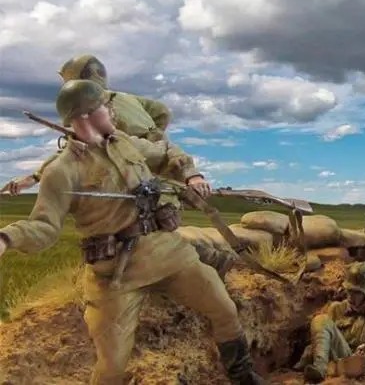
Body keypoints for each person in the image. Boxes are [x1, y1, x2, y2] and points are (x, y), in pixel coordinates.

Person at [0, 79, 264, 385]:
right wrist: (6, 238)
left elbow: (164, 152)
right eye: (104, 106)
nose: (111, 111)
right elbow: (43, 226)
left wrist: (192, 175)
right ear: (86, 116)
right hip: (116, 275)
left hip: (167, 253)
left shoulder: (123, 142)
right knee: (112, 366)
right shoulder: (61, 172)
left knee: (224, 309)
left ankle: (243, 376)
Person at [2, 54, 238, 278]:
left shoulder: (93, 107)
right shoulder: (125, 98)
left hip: (141, 171)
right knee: (155, 226)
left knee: (145, 226)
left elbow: (77, 151)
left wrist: (34, 177)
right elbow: (162, 112)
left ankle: (206, 264)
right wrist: (154, 135)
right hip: (156, 162)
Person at [297, 262, 365, 382]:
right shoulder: (336, 309)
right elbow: (323, 339)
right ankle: (320, 368)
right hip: (340, 356)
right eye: (348, 290)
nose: (350, 296)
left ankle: (358, 367)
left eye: (356, 292)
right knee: (321, 319)